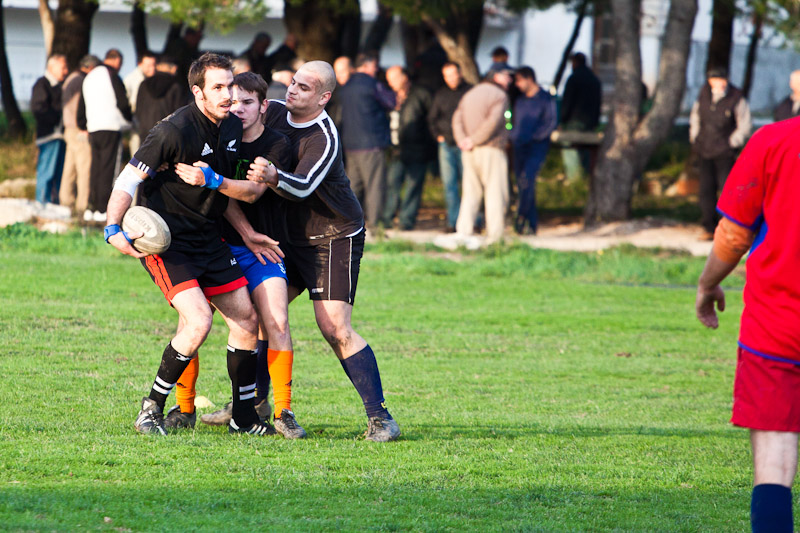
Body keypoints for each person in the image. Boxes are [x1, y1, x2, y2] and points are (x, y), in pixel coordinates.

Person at [103, 52, 274, 437]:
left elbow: (225, 192)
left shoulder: (232, 128)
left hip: (210, 240)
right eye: (218, 87)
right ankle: (150, 410)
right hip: (169, 243)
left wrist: (246, 232)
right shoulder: (172, 131)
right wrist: (112, 227)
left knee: (247, 321)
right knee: (198, 321)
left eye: (230, 85)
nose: (228, 94)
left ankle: (243, 418)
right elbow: (128, 180)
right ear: (198, 92)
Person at [246, 60, 401, 442]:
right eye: (292, 81)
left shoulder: (324, 135)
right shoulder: (277, 112)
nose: (292, 89)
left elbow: (301, 187)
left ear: (324, 97)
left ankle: (381, 419)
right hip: (289, 237)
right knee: (262, 314)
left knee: (334, 326)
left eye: (304, 87)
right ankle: (251, 406)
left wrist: (272, 176)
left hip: (334, 237)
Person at [170, 71, 305, 439]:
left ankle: (283, 412)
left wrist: (213, 180)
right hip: (213, 247)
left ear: (264, 105)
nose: (239, 108)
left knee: (276, 320)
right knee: (191, 325)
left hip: (262, 250)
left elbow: (251, 193)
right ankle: (183, 409)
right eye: (234, 100)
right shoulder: (217, 134)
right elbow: (215, 199)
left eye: (248, 102)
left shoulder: (278, 144)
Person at [695, 117, 800, 532]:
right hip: (775, 321)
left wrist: (707, 284)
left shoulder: (775, 139)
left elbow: (735, 233)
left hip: (777, 323)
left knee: (774, 451)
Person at [451, 67, 512, 245]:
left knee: (470, 192)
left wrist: (463, 140)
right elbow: (493, 122)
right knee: (495, 191)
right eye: (507, 76)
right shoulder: (499, 96)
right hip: (490, 149)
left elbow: (457, 118)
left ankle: (464, 231)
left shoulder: (470, 93)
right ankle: (495, 235)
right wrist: (475, 140)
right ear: (497, 76)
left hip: (468, 151)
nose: (509, 80)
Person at [689, 67, 752, 239]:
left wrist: (732, 143)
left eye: (723, 79)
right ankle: (708, 226)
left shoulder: (736, 97)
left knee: (728, 189)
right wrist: (695, 138)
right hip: (705, 150)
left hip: (725, 152)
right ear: (710, 82)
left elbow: (744, 124)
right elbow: (695, 118)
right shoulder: (703, 95)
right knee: (706, 190)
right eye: (716, 80)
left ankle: (728, 227)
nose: (720, 83)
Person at [337, 52, 395, 230]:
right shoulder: (372, 84)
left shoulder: (346, 86)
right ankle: (375, 224)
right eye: (375, 66)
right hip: (372, 143)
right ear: (368, 65)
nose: (376, 70)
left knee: (354, 186)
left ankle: (351, 223)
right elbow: (391, 102)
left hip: (350, 144)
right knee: (375, 186)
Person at [78, 48, 132, 223]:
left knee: (95, 168)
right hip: (110, 126)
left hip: (93, 127)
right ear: (114, 61)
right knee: (109, 169)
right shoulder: (111, 75)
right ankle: (103, 209)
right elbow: (122, 102)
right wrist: (129, 119)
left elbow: (81, 106)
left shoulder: (88, 77)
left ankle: (91, 207)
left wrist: (83, 124)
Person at [382, 65, 435, 230]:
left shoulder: (421, 95)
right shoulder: (390, 96)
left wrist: (427, 144)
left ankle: (406, 221)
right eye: (389, 80)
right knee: (392, 183)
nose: (391, 83)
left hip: (418, 148)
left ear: (405, 77)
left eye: (394, 79)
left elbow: (431, 120)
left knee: (413, 186)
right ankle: (387, 219)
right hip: (397, 149)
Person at [511, 66, 557, 235]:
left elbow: (551, 122)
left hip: (536, 147)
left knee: (527, 180)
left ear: (529, 79)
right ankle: (529, 223)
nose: (517, 84)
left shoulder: (546, 99)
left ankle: (522, 218)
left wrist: (537, 137)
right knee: (522, 184)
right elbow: (510, 118)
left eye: (519, 80)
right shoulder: (520, 100)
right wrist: (511, 133)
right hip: (519, 146)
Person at [427, 61, 471, 232]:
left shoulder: (469, 92)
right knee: (449, 185)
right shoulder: (441, 94)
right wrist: (438, 136)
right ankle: (453, 223)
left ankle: (473, 221)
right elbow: (432, 119)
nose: (451, 79)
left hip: (466, 145)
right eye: (447, 76)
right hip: (446, 144)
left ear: (460, 73)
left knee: (469, 185)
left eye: (453, 74)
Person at [58, 54, 100, 214]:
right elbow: (78, 105)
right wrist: (84, 125)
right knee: (84, 168)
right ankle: (82, 205)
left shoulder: (71, 78)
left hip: (69, 128)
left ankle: (66, 200)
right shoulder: (81, 81)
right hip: (78, 129)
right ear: (90, 67)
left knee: (70, 168)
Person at [31, 53, 68, 205]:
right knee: (46, 171)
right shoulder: (42, 84)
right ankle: (41, 202)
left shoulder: (58, 86)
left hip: (58, 136)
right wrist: (57, 119)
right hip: (49, 136)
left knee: (57, 173)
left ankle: (53, 203)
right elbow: (38, 108)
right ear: (52, 67)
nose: (66, 71)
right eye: (63, 67)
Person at [560, 52, 602, 180]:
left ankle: (574, 180)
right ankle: (586, 179)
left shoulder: (574, 78)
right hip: (590, 122)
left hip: (575, 121)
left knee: (570, 148)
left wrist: (562, 119)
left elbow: (567, 101)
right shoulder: (595, 80)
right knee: (586, 150)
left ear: (575, 63)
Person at [135, 55, 186, 140]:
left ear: (157, 67)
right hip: (166, 132)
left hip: (145, 132)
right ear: (174, 68)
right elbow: (179, 113)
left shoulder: (143, 84)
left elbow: (138, 110)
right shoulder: (175, 86)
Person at [124, 51, 157, 155]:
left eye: (154, 65)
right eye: (148, 65)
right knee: (137, 150)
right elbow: (127, 101)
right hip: (136, 120)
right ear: (140, 64)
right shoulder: (132, 79)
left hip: (150, 119)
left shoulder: (153, 79)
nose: (152, 68)